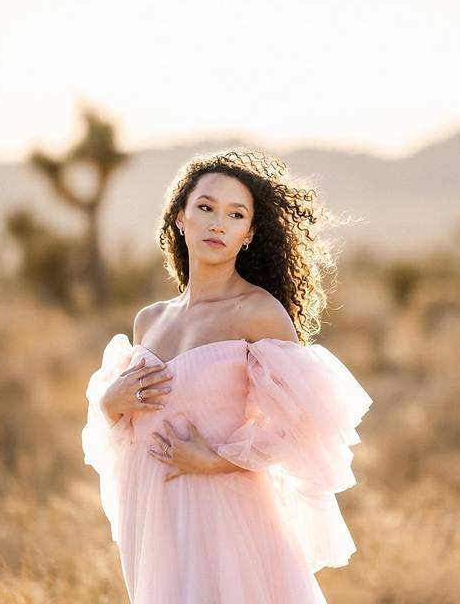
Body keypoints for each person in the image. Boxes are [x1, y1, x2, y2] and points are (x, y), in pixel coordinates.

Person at [81, 148, 373, 603]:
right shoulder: (149, 320)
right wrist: (109, 402)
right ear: (180, 217)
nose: (218, 223)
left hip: (225, 512)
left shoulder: (257, 313)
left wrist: (215, 460)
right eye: (205, 207)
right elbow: (119, 437)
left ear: (249, 234)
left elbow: (307, 428)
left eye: (235, 215)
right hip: (153, 515)